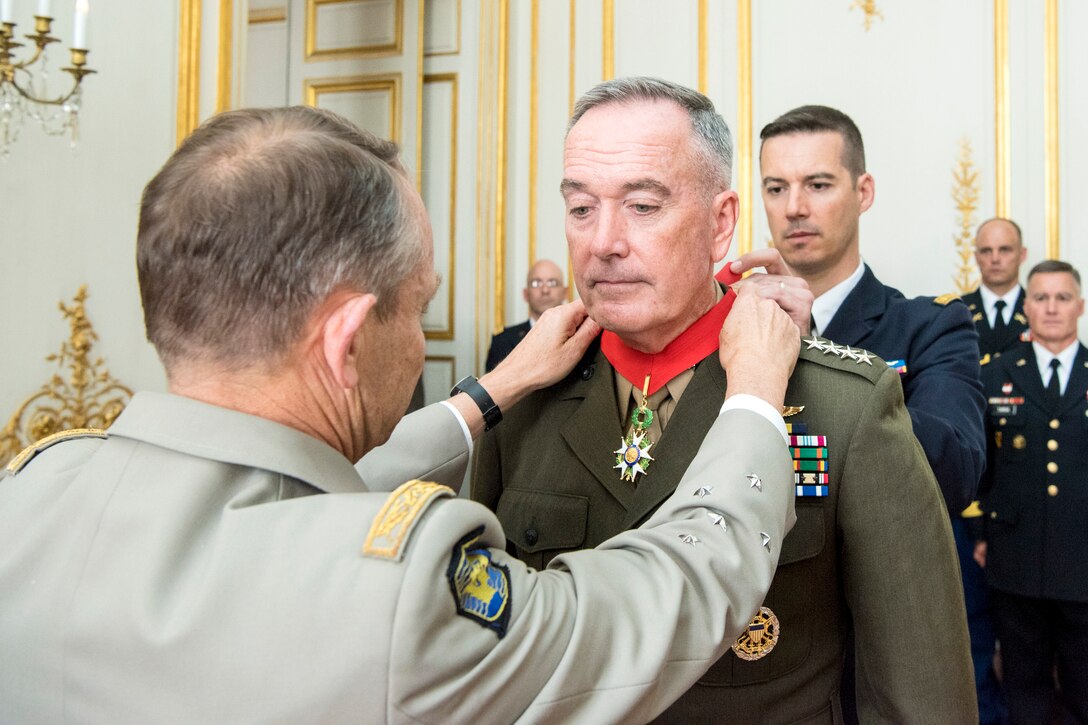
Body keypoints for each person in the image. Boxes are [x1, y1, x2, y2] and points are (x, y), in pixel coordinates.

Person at [0, 106, 807, 723]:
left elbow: (297, 497)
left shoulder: (34, 489)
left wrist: (488, 392)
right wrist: (754, 398)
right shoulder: (403, 592)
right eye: (417, 309)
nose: (602, 243)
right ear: (347, 340)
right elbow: (668, 593)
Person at [472, 77, 974, 723]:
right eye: (581, 208)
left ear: (720, 222)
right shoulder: (521, 396)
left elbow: (919, 694)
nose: (603, 241)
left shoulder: (840, 401)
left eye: (644, 206)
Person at [975, 260, 1088, 724]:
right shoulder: (995, 373)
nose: (1052, 308)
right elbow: (980, 463)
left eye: (1062, 298)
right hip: (1015, 557)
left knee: (1084, 682)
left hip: (1083, 560)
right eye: (1041, 298)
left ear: (1079, 306)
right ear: (1027, 307)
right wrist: (981, 533)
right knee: (1025, 682)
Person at [964, 217, 1030, 360]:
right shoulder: (957, 311)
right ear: (976, 257)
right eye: (986, 251)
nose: (995, 259)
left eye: (1004, 250)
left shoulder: (1042, 310)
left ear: (1022, 254)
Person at [485, 258, 568, 371]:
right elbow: (492, 387)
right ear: (525, 294)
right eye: (536, 283)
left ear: (565, 293)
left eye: (552, 283)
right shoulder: (502, 341)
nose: (545, 290)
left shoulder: (581, 335)